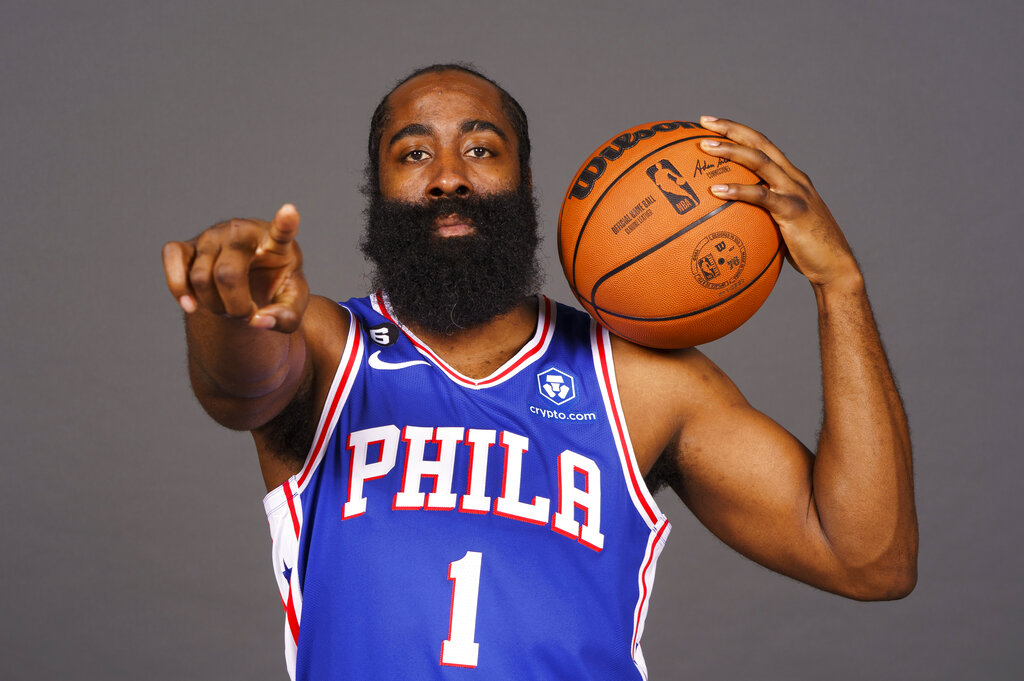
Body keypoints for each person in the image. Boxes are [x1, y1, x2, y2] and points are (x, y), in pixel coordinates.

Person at [162, 64, 917, 680]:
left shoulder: (636, 382)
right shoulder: (329, 348)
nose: (449, 176)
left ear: (525, 184)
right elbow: (240, 387)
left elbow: (868, 558)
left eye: (482, 149)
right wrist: (230, 307)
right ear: (377, 189)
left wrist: (840, 285)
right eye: (414, 152)